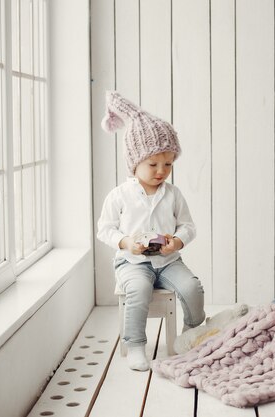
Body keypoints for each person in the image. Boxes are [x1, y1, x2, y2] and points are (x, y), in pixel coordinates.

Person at [98, 92, 205, 371]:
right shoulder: (120, 195)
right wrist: (125, 242)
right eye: (153, 164)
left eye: (168, 164)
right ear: (134, 163)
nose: (162, 171)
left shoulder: (172, 194)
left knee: (192, 287)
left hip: (168, 261)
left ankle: (193, 332)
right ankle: (135, 344)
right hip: (132, 262)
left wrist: (177, 242)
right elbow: (104, 229)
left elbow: (188, 226)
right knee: (138, 289)